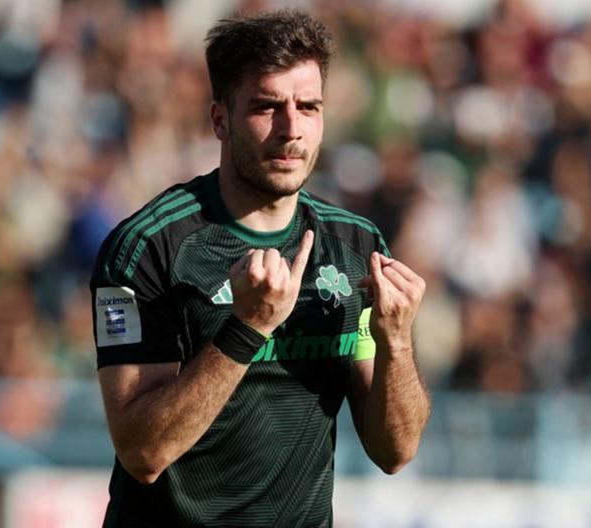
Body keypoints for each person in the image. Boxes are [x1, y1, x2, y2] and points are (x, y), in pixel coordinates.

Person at [90, 9, 430, 527]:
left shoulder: (356, 246)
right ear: (220, 120)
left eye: (308, 107)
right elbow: (142, 452)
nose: (291, 129)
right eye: (266, 107)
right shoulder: (146, 248)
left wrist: (398, 343)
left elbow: (395, 451)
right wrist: (247, 328)